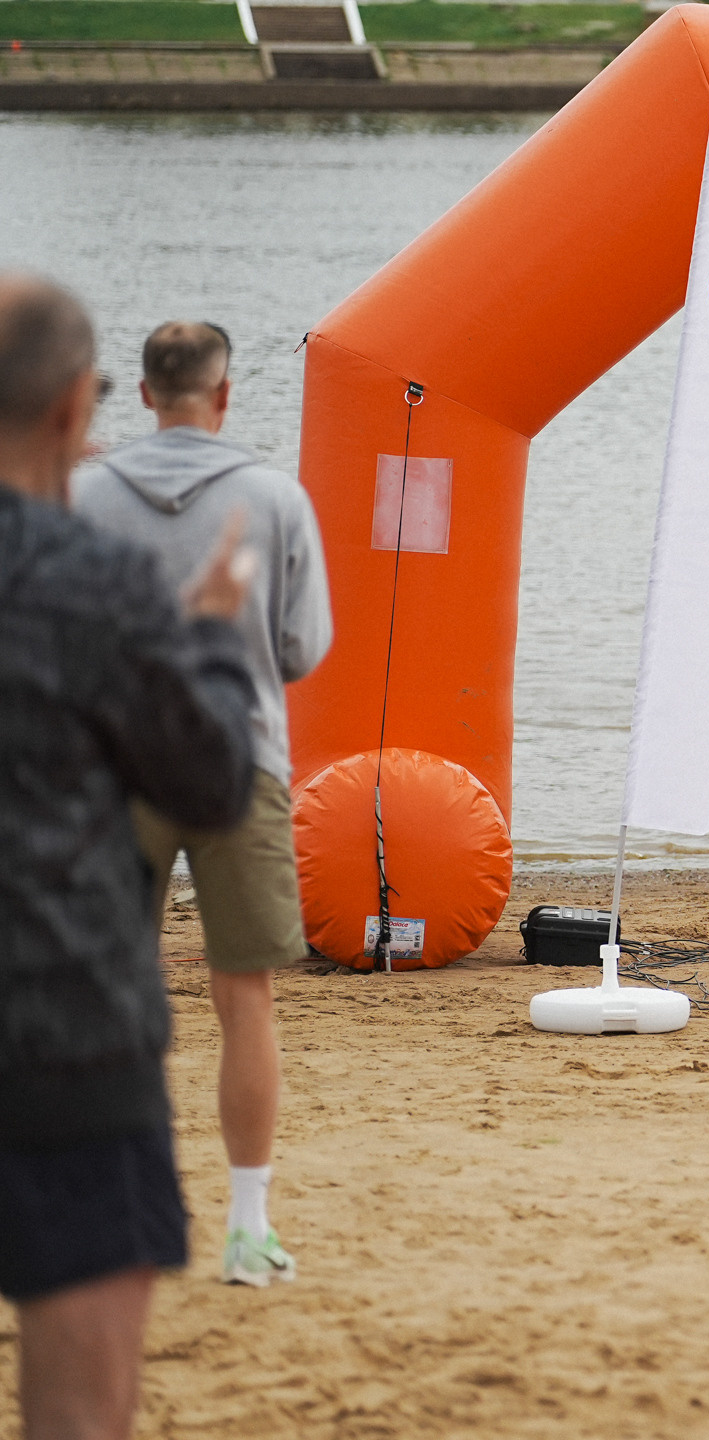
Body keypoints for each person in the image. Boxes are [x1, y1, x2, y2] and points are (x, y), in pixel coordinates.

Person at [0, 276, 259, 1440]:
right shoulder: (95, 583)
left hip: (66, 1020)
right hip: (66, 1029)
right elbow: (207, 778)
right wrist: (209, 633)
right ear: (73, 410)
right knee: (80, 1404)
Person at [73, 320, 333, 1290]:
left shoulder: (87, 492)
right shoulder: (275, 497)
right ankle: (247, 1227)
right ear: (223, 397)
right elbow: (303, 650)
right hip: (238, 760)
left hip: (118, 766)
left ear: (142, 394)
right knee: (245, 997)